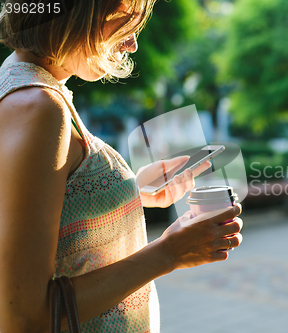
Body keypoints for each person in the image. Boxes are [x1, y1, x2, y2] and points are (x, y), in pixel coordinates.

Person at [0, 1, 243, 332]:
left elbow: (44, 215)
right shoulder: (38, 107)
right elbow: (23, 318)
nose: (132, 43)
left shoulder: (26, 88)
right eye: (122, 22)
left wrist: (130, 193)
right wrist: (170, 253)